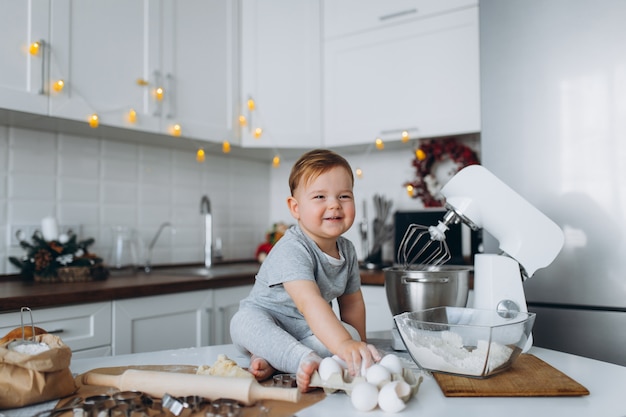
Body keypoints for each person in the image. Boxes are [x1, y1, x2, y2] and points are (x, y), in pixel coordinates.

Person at [230, 149, 381, 392]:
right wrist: (342, 343)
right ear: (295, 208)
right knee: (242, 322)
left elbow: (352, 303)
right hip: (265, 321)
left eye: (344, 196)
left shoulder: (348, 250)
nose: (334, 205)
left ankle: (274, 360)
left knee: (350, 333)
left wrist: (357, 347)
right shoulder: (292, 248)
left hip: (308, 330)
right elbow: (309, 302)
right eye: (320, 197)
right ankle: (302, 359)